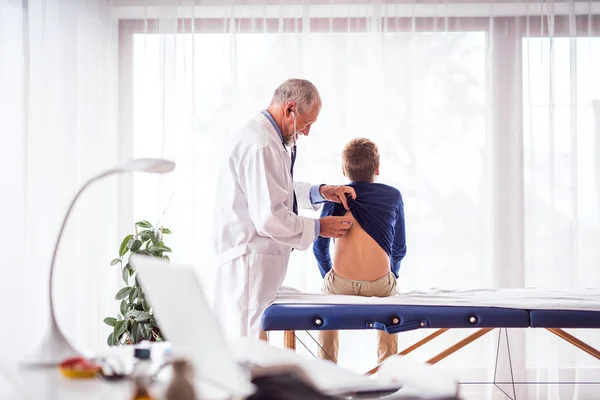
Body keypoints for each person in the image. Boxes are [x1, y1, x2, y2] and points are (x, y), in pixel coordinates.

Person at [212, 78, 358, 341]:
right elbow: (268, 217)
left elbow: (279, 189)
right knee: (249, 346)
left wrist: (321, 191)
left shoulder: (268, 140)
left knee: (254, 343)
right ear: (290, 109)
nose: (306, 131)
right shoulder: (260, 144)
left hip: (258, 261)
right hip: (250, 260)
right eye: (307, 123)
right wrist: (318, 227)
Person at [313, 137, 407, 365]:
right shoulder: (393, 196)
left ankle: (327, 369)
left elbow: (319, 246)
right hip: (380, 284)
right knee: (390, 303)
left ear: (344, 169)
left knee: (328, 307)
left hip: (340, 283)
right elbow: (399, 248)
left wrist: (329, 274)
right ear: (377, 168)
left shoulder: (337, 196)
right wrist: (391, 273)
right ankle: (388, 370)